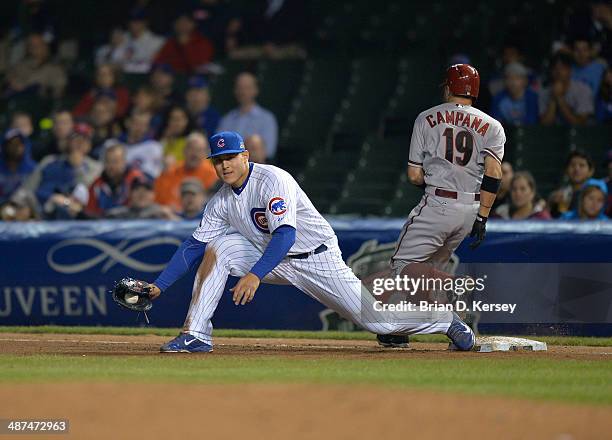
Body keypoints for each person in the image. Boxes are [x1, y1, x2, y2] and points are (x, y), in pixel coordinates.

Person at [138, 131, 474, 353]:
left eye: (231, 157)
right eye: (218, 160)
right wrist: (159, 287)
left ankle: (445, 319)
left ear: (245, 156)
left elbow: (286, 234)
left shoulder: (272, 179)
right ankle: (196, 333)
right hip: (272, 256)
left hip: (317, 257)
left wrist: (255, 274)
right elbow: (194, 246)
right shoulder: (221, 201)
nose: (224, 164)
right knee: (219, 247)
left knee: (379, 322)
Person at [388, 64, 506, 347]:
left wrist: (435, 181)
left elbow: (414, 175)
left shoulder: (426, 118)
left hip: (439, 202)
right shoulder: (493, 126)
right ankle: (399, 330)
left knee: (402, 266)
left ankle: (451, 303)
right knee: (425, 272)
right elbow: (494, 174)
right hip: (470, 209)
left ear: (448, 87)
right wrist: (483, 218)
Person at [20, 123, 102, 219]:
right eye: (76, 139)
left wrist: (78, 168)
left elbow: (87, 194)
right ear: (68, 142)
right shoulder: (50, 161)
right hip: (43, 215)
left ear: (90, 145)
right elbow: (27, 189)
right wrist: (51, 197)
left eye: (84, 139)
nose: (80, 143)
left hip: (80, 219)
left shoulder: (98, 168)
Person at [217, 72, 278, 159]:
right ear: (235, 90)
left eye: (247, 88)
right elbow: (218, 147)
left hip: (254, 166)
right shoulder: (227, 119)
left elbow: (269, 151)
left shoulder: (267, 119)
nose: (243, 92)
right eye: (240, 88)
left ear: (256, 90)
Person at [154, 132, 217, 210]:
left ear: (205, 154)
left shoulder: (213, 175)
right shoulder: (170, 172)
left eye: (199, 150)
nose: (195, 154)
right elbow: (157, 201)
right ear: (184, 151)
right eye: (191, 149)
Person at [85, 142, 145, 218]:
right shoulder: (96, 186)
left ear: (124, 162)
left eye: (115, 161)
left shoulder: (136, 180)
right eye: (108, 161)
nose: (111, 166)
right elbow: (90, 214)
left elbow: (144, 209)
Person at [5, 33, 67, 98]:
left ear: (45, 46)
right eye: (31, 45)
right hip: (17, 102)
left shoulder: (55, 69)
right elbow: (8, 81)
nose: (35, 48)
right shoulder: (20, 66)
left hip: (40, 105)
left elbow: (59, 93)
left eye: (38, 45)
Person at [539, 53, 594, 126]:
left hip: (580, 136)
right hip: (553, 135)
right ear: (550, 71)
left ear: (570, 71)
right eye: (555, 69)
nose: (558, 72)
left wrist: (559, 98)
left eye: (562, 68)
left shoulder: (583, 90)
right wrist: (553, 99)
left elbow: (580, 125)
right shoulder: (544, 92)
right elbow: (545, 126)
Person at [548, 150, 595, 218]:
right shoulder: (561, 194)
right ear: (566, 170)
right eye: (572, 165)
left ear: (590, 171)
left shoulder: (597, 193)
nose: (576, 169)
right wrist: (550, 203)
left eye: (582, 165)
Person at [118, 8, 165, 74]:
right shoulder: (121, 38)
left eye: (138, 21)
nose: (135, 24)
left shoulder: (157, 42)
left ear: (145, 23)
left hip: (145, 78)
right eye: (132, 21)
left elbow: (151, 66)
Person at [105, 177, 177, 220]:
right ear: (130, 193)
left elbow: (183, 232)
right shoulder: (118, 214)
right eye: (137, 189)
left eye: (146, 190)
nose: (142, 194)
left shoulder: (162, 214)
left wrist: (171, 218)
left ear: (154, 195)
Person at [119, 111, 163, 178]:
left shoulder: (154, 147)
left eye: (143, 125)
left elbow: (155, 174)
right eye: (136, 123)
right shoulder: (114, 143)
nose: (139, 128)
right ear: (128, 123)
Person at [0, 129, 36, 205]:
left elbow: (35, 194)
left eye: (19, 144)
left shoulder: (33, 168)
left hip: (25, 210)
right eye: (12, 144)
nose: (16, 148)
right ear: (5, 146)